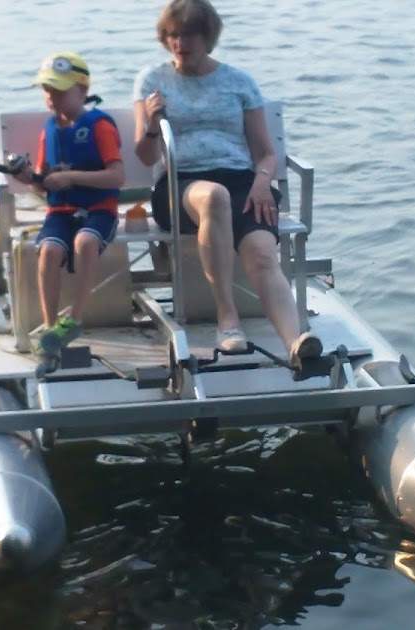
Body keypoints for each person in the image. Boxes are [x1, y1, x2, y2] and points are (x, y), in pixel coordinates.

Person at [132, 0, 322, 369]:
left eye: (188, 34)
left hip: (242, 181)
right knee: (214, 197)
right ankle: (227, 318)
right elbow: (145, 155)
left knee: (263, 255)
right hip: (179, 184)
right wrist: (153, 122)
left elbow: (266, 153)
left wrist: (263, 182)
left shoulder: (239, 81)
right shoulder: (153, 81)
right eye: (172, 35)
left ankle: (296, 342)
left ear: (207, 36)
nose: (179, 43)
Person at [14, 52, 125, 357]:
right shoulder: (48, 129)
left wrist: (72, 178)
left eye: (60, 90)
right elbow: (42, 182)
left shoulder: (99, 126)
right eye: (48, 90)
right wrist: (28, 178)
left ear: (83, 90)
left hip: (99, 209)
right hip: (60, 212)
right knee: (49, 251)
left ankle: (74, 317)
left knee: (85, 241)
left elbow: (117, 176)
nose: (52, 97)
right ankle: (51, 327)